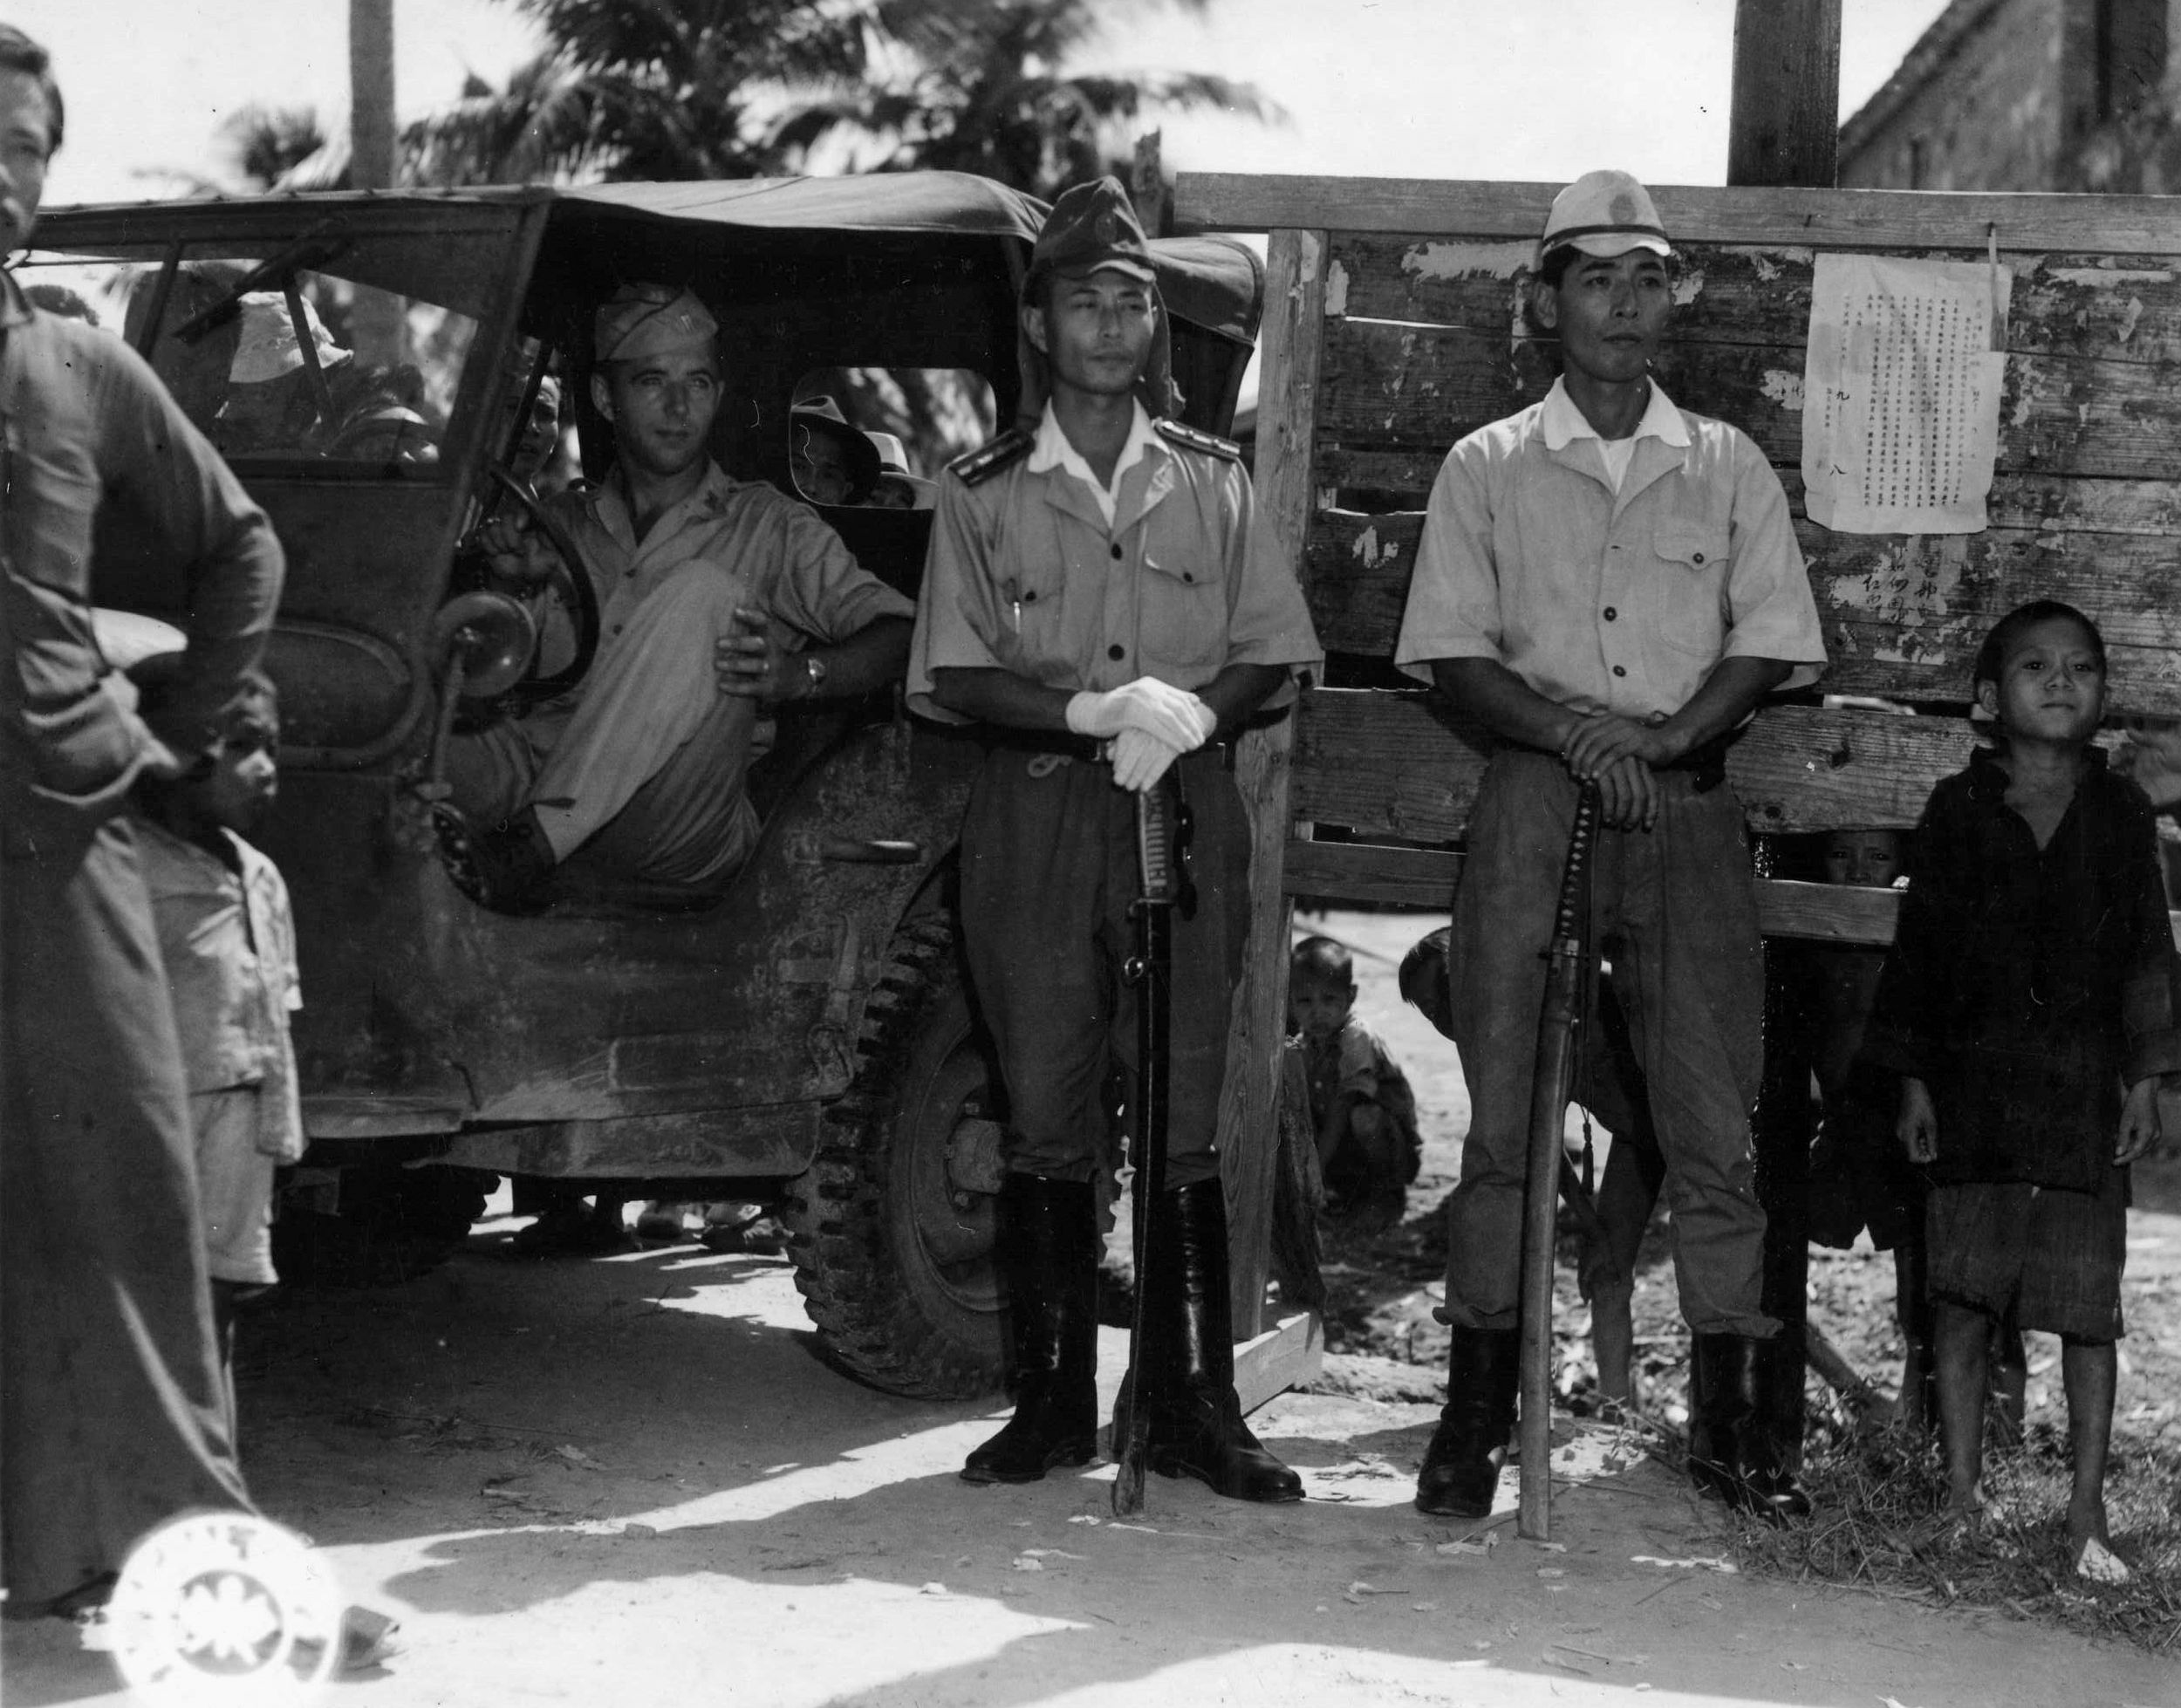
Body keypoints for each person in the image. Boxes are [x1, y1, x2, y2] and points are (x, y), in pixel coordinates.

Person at [1394, 169, 1827, 1523]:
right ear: (1548, 300)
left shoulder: (1727, 463)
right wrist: (1583, 741)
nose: (1627, 304)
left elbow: (1767, 642)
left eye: (1649, 279)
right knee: (1509, 1111)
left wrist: (1654, 742)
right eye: (1598, 278)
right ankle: (1473, 1420)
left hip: (1685, 804)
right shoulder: (1489, 465)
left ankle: (1737, 1433)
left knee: (1713, 1116)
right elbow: (1453, 655)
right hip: (1534, 799)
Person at [908, 177, 1322, 1502]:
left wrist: (1192, 711)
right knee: (1044, 1102)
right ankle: (1047, 1401)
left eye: (1131, 301)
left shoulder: (1212, 481)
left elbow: (1274, 651)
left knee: (1186, 1098)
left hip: (1185, 808)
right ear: (1039, 325)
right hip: (1036, 810)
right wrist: (1089, 707)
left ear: (1154, 328)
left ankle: (1193, 1402)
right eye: (1083, 299)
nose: (1108, 322)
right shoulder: (980, 493)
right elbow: (955, 671)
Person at [0, 25, 281, 1620]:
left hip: (61, 838)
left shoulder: (77, 367)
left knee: (127, 1203)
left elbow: (241, 550)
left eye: (26, 145)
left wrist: (185, 737)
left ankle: (194, 1576)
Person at [1863, 601, 2176, 1583]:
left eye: (2079, 667)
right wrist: (1914, 1081)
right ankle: (1961, 1499)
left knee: (2088, 1307)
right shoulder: (1955, 813)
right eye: (2034, 666)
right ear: (1989, 698)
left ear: (2101, 693)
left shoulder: (2123, 814)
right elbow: (1917, 958)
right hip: (1972, 1089)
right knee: (1959, 1296)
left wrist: (2149, 1076)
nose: (2058, 680)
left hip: (2082, 1095)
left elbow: (2146, 956)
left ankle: (2084, 1513)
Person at [436, 283, 915, 913]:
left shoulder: (770, 525)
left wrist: (800, 674)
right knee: (395, 717)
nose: (678, 406)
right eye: (652, 382)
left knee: (706, 595)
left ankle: (530, 847)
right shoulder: (556, 524)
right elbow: (484, 679)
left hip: (672, 818)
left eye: (697, 383)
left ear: (717, 395)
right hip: (527, 775)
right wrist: (511, 586)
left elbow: (899, 632)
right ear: (607, 398)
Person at [127, 660, 300, 1431]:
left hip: (241, 1128)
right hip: (154, 1122)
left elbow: (277, 1008)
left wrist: (278, 1130)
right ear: (176, 754)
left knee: (218, 1307)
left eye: (273, 746)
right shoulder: (127, 864)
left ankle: (212, 1484)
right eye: (245, 746)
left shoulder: (263, 874)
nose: (268, 770)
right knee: (144, 1313)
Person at [1289, 934, 1422, 1228]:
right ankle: (1340, 1191)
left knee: (1365, 1116)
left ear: (1350, 997)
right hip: (1343, 1150)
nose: (1317, 1012)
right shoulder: (1304, 1045)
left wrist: (1316, 1167)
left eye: (1329, 1000)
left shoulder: (1355, 1037)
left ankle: (1385, 1194)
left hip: (1390, 1147)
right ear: (1291, 1002)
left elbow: (1343, 1106)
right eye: (1305, 1001)